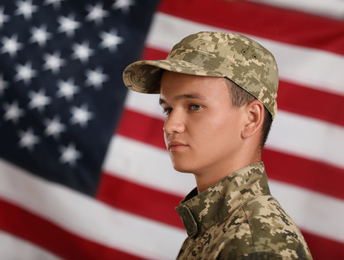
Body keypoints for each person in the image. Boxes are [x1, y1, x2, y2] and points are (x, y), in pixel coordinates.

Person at [122, 31, 312, 259]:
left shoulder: (256, 244)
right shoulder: (221, 227)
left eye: (194, 106)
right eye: (168, 109)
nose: (170, 125)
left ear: (251, 118)